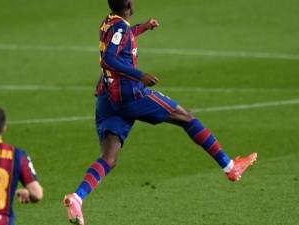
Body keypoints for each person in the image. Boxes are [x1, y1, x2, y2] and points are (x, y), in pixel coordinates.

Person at [63, 0, 257, 224]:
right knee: (187, 118)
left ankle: (77, 198)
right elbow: (109, 59)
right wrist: (139, 75)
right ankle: (231, 168)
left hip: (108, 97)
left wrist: (143, 27)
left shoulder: (110, 22)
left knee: (109, 157)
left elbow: (123, 37)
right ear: (128, 3)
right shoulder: (119, 27)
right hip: (130, 95)